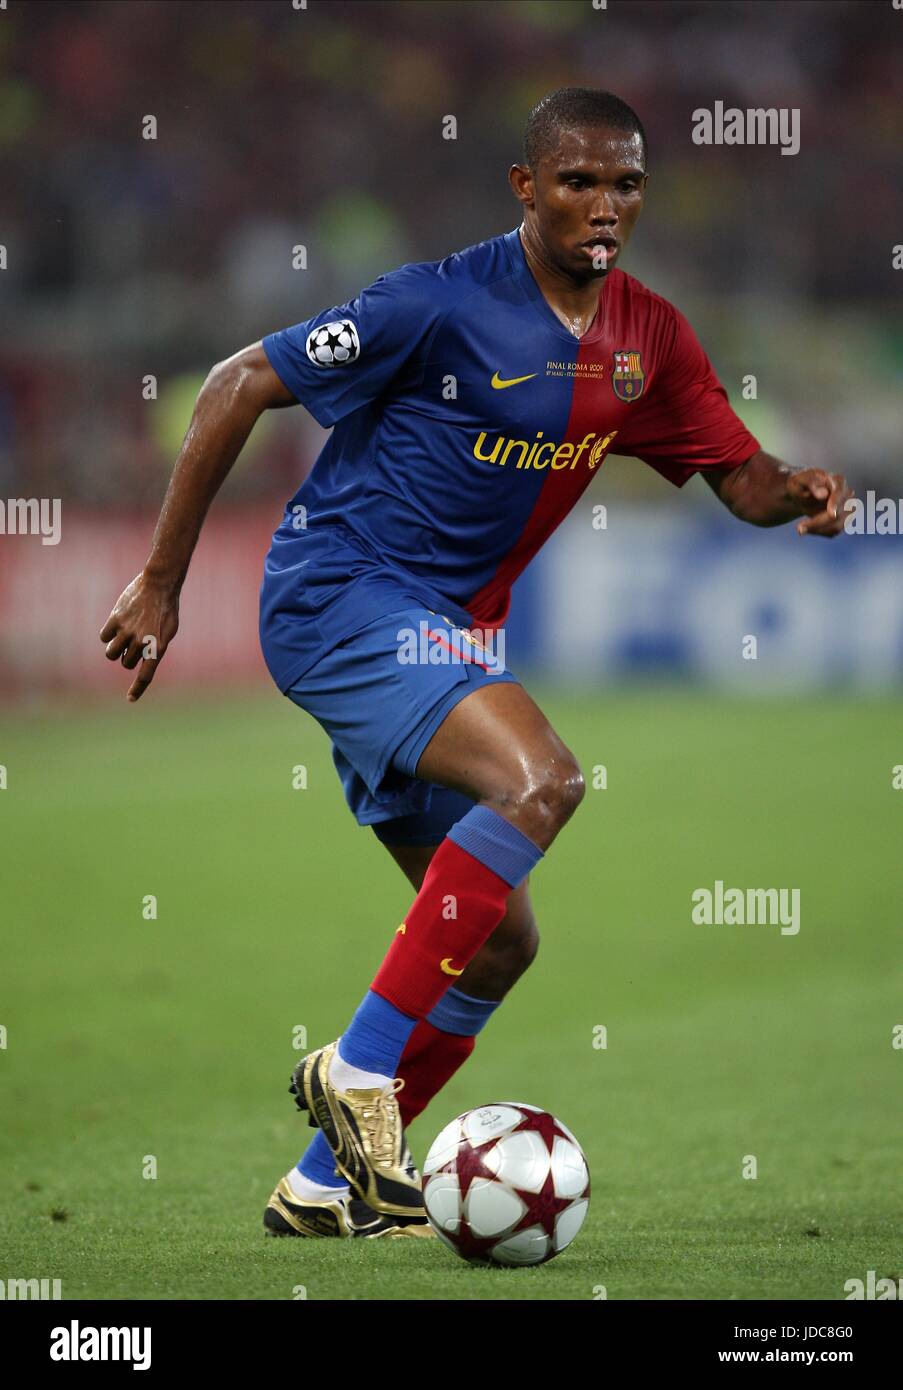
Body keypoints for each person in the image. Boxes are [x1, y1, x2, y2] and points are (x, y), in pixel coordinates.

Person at [101, 88, 852, 1240]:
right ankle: (357, 1073)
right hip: (340, 594)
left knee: (501, 938)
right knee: (543, 779)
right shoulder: (437, 302)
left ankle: (320, 1184)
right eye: (579, 181)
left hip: (442, 636)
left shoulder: (648, 341)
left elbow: (738, 478)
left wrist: (794, 491)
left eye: (627, 185)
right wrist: (161, 581)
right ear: (525, 187)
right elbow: (234, 382)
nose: (606, 206)